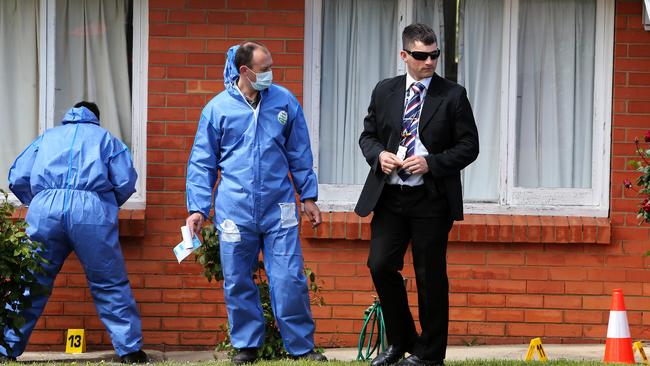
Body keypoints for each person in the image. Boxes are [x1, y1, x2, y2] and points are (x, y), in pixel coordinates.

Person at [185, 41, 326, 365]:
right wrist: (197, 208)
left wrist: (308, 197)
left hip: (280, 209)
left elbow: (299, 153)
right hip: (235, 211)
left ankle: (301, 347)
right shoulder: (218, 110)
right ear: (244, 70)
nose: (270, 74)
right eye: (264, 69)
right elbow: (202, 163)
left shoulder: (285, 101)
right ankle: (246, 346)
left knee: (289, 277)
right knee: (237, 279)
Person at [355, 24, 479, 366]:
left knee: (430, 277)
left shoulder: (453, 95)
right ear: (405, 55)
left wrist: (431, 163)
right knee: (379, 265)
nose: (429, 62)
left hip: (431, 199)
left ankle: (430, 355)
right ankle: (402, 341)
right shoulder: (385, 91)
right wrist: (378, 155)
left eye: (434, 55)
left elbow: (470, 147)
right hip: (390, 197)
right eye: (422, 56)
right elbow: (368, 136)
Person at [1, 102, 147, 364]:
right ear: (96, 119)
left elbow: (18, 176)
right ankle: (130, 351)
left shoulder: (47, 137)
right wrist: (106, 203)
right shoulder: (106, 139)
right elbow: (125, 181)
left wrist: (39, 199)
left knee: (31, 281)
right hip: (92, 211)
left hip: (45, 210)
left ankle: (5, 348)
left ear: (70, 117)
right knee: (109, 282)